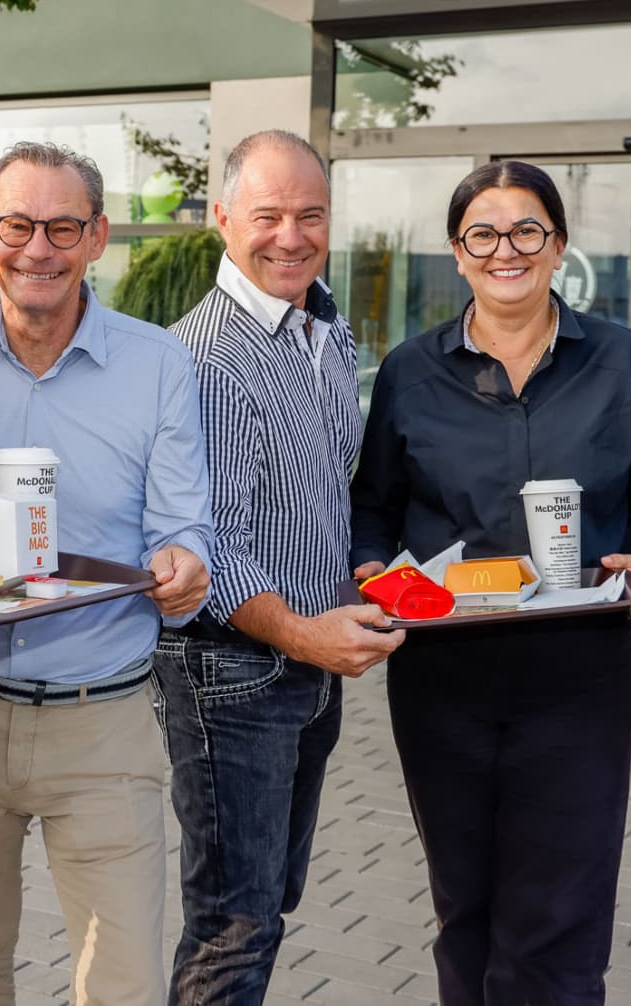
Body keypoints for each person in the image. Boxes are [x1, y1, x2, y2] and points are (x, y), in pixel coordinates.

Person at [350, 159, 631, 1005]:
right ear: (458, 254)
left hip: (578, 673)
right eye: (484, 234)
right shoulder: (410, 371)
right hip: (443, 676)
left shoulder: (621, 362)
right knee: (464, 906)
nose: (506, 249)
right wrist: (371, 573)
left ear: (560, 246)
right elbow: (373, 510)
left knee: (560, 917)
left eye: (526, 231)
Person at [0, 141, 214, 1006]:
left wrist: (186, 565)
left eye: (63, 227)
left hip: (101, 716)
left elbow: (182, 524)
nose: (39, 248)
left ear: (97, 236)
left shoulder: (157, 364)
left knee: (127, 985)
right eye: (19, 225)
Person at [158, 129, 399, 1003]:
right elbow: (207, 542)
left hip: (308, 667)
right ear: (222, 218)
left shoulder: (326, 332)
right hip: (233, 674)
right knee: (234, 922)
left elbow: (325, 496)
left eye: (311, 215)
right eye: (267, 216)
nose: (290, 236)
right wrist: (308, 635)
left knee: (271, 904)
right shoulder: (202, 358)